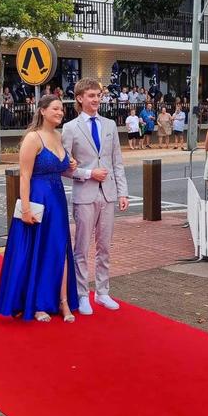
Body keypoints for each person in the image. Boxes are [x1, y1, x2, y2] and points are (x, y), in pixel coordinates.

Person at [0, 95, 79, 322]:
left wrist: (71, 165)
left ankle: (63, 301)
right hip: (37, 198)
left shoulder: (58, 136)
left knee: (60, 249)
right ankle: (39, 303)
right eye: (55, 109)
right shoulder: (33, 138)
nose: (60, 113)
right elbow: (24, 175)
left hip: (58, 200)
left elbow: (60, 169)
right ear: (42, 111)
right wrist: (25, 210)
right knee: (39, 250)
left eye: (62, 109)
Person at [62, 78, 129, 315]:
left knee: (105, 247)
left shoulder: (109, 125)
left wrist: (123, 192)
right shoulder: (70, 128)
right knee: (81, 247)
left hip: (108, 194)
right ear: (80, 98)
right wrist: (89, 173)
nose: (96, 99)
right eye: (91, 95)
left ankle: (102, 292)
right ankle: (82, 294)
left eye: (98, 95)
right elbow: (64, 167)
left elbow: (117, 162)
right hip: (85, 194)